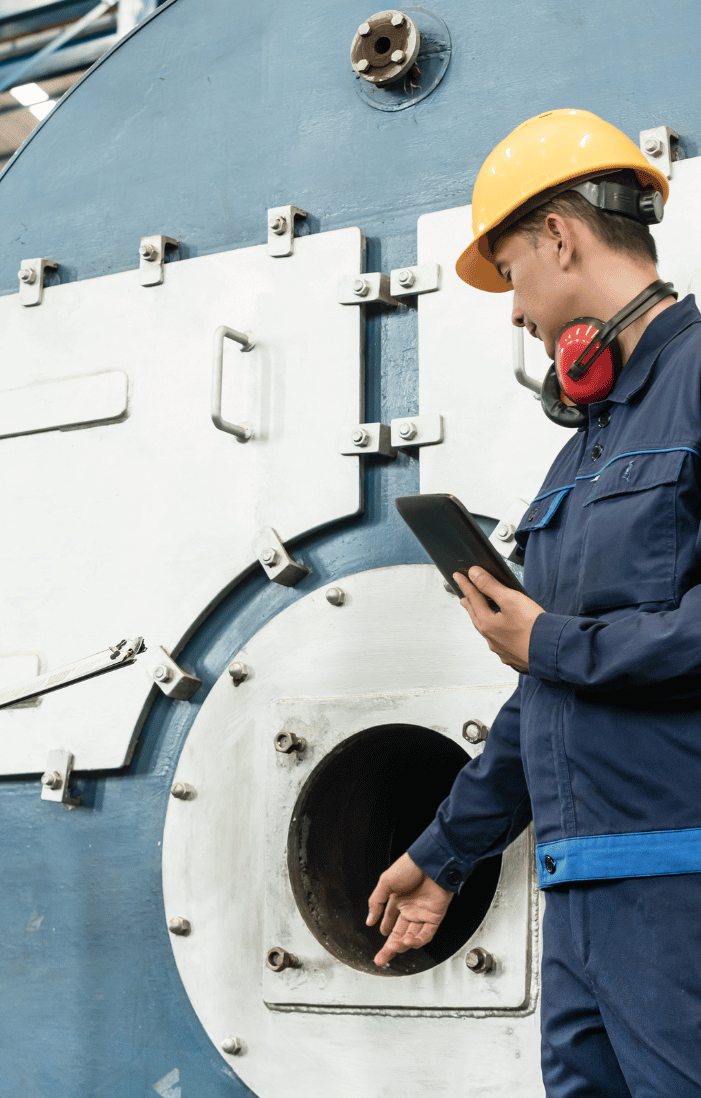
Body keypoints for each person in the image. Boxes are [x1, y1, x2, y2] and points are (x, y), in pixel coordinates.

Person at [367, 107, 701, 1097]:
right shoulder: (580, 454)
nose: (515, 312)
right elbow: (549, 689)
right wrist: (443, 854)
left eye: (510, 273)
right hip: (581, 891)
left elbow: (561, 653)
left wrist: (553, 642)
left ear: (559, 235)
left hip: (681, 884)